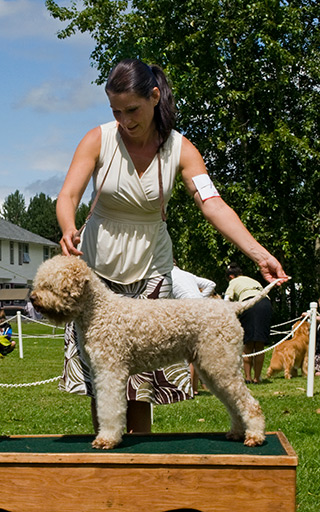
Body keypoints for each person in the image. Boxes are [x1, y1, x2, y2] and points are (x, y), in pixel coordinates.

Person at [56, 58, 287, 433]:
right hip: (98, 270)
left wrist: (260, 255)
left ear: (154, 96)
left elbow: (212, 205)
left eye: (133, 110)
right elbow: (67, 195)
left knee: (141, 387)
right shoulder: (97, 138)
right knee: (105, 380)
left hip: (151, 269)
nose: (125, 120)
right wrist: (68, 227)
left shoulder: (181, 149)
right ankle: (107, 460)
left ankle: (142, 468)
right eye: (116, 111)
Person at [171, 262, 217, 394]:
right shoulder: (187, 274)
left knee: (189, 352)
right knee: (197, 350)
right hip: (200, 307)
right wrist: (200, 298)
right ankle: (196, 387)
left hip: (187, 311)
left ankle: (190, 388)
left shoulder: (167, 275)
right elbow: (211, 284)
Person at [224, 263, 273, 383]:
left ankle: (248, 377)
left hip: (250, 303)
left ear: (230, 276)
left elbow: (227, 299)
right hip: (266, 304)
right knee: (260, 344)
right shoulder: (252, 280)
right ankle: (257, 377)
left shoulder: (233, 282)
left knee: (248, 343)